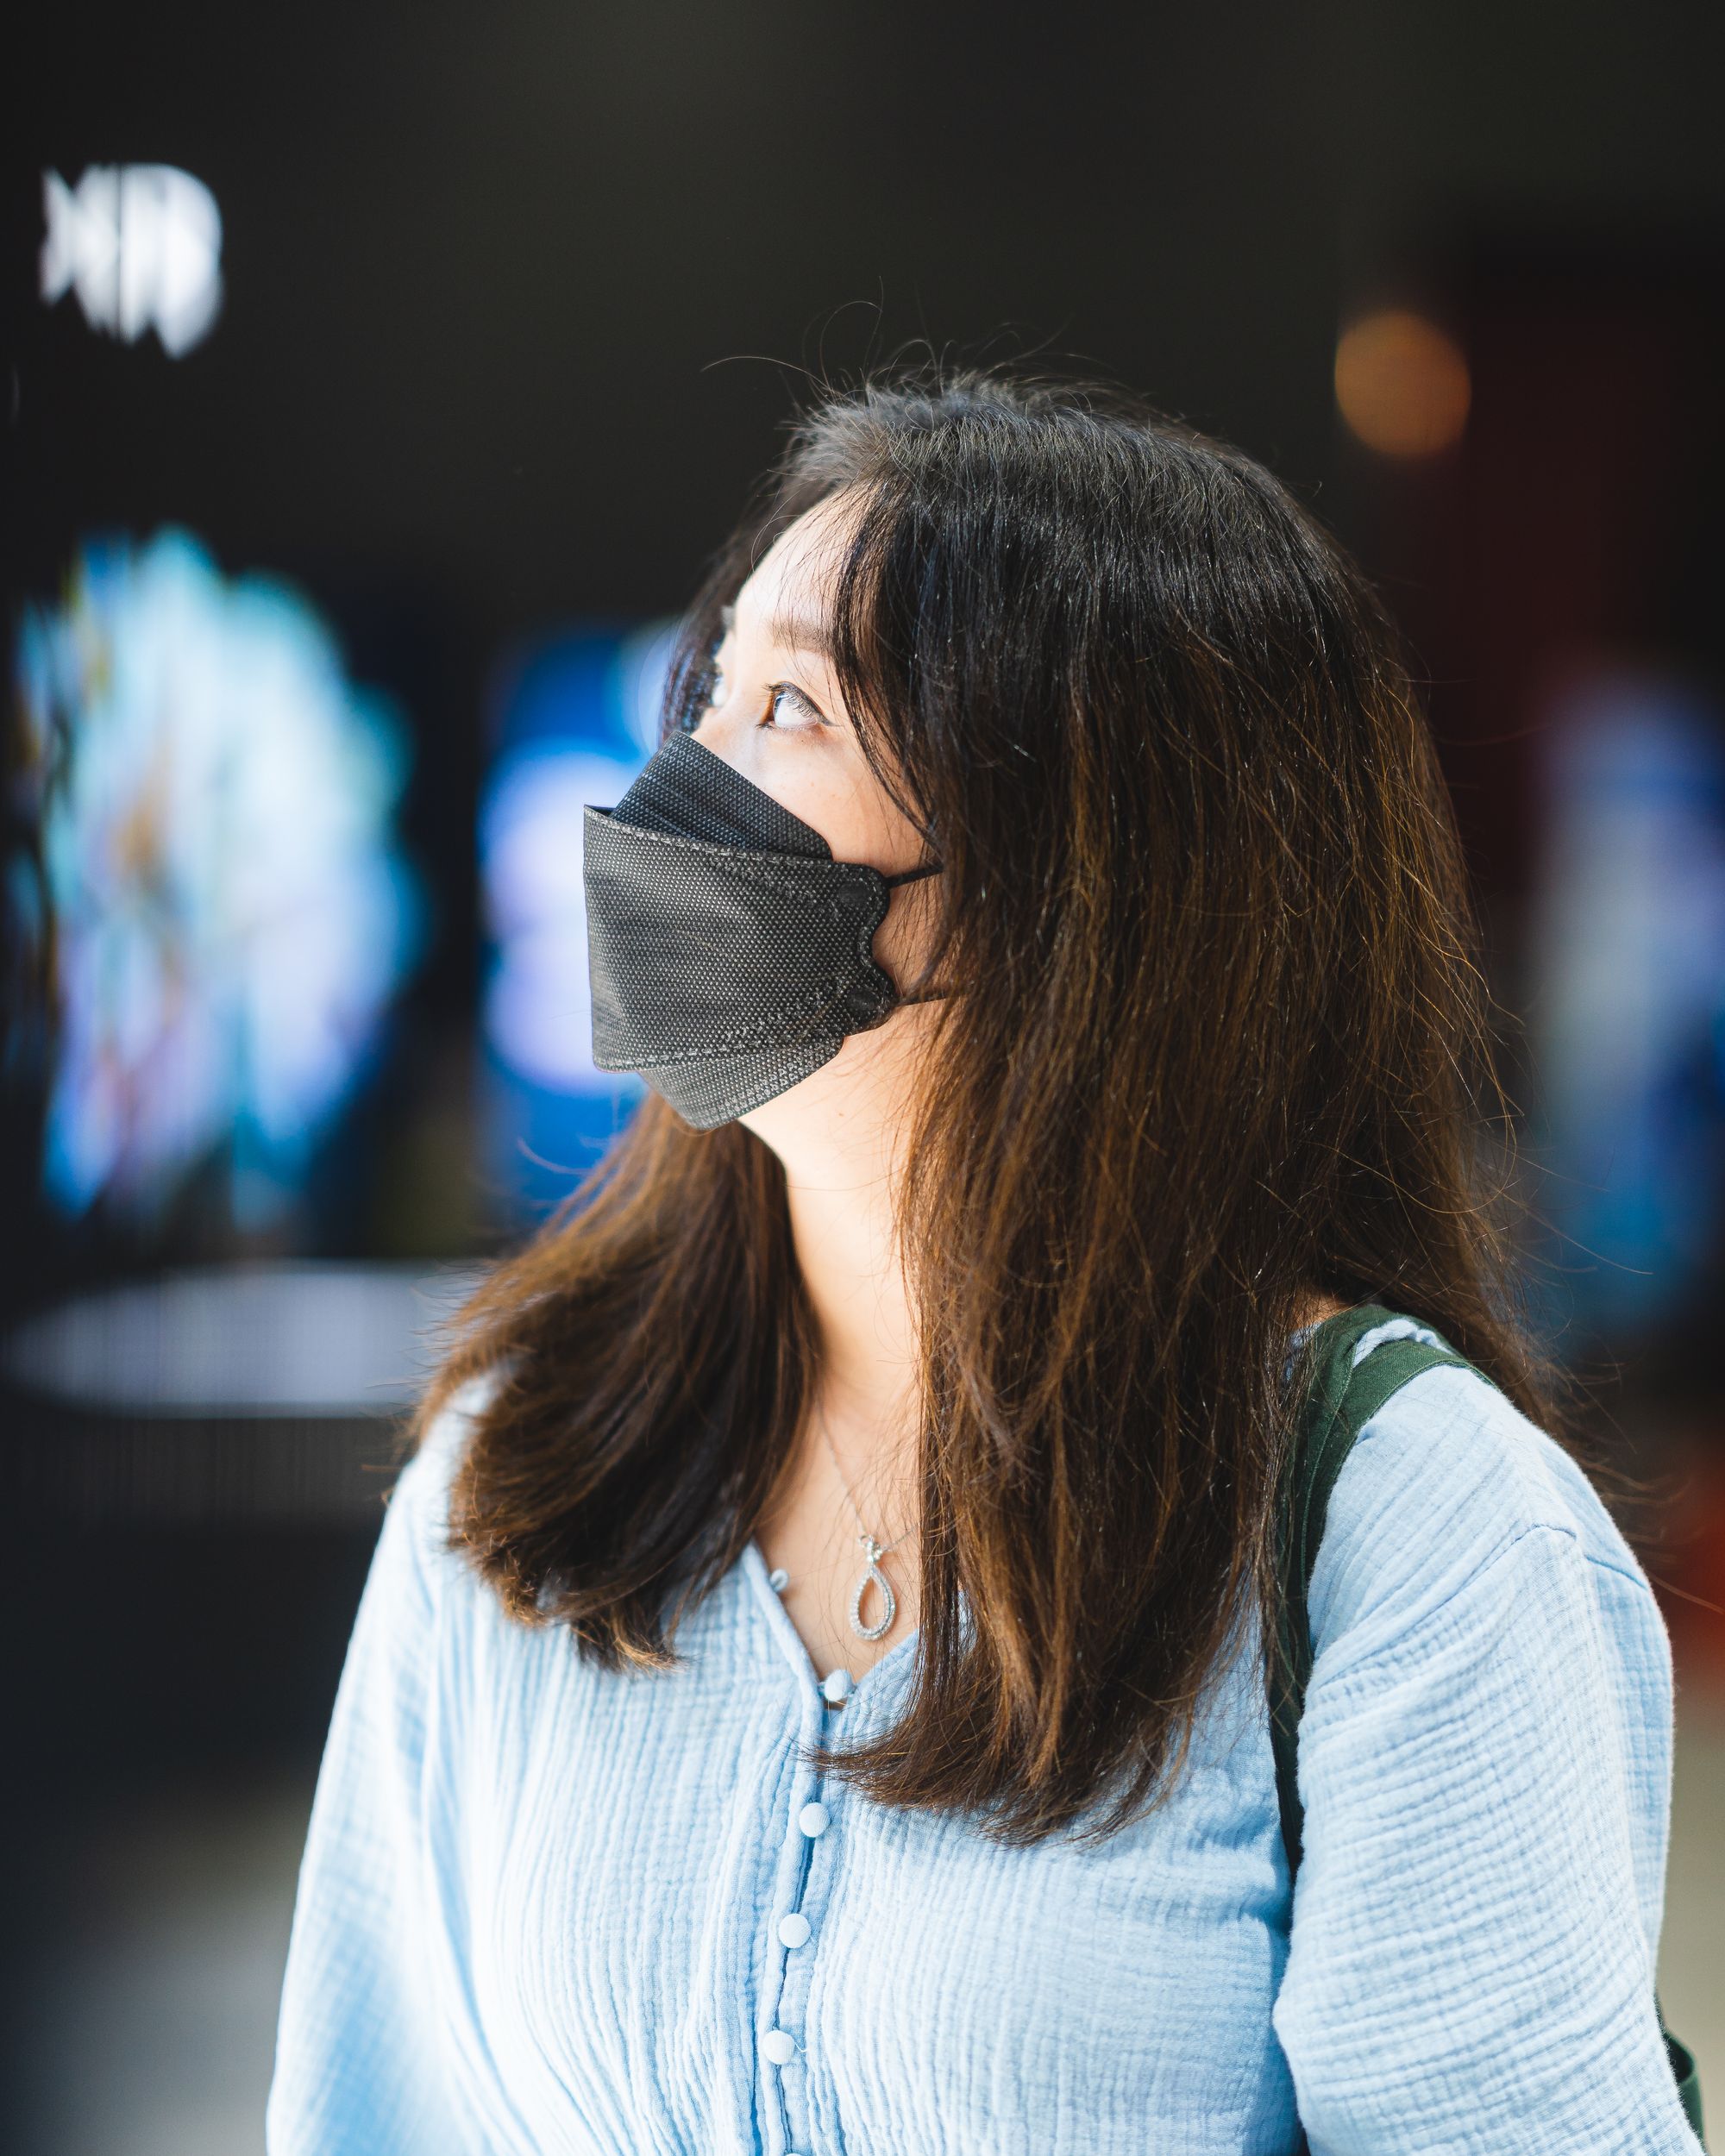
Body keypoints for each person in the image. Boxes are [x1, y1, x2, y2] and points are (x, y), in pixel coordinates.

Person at [267, 365, 1702, 2153]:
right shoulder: (529, 1444)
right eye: (705, 695)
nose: (669, 793)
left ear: (1076, 871)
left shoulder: (1404, 1525)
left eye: (784, 703)